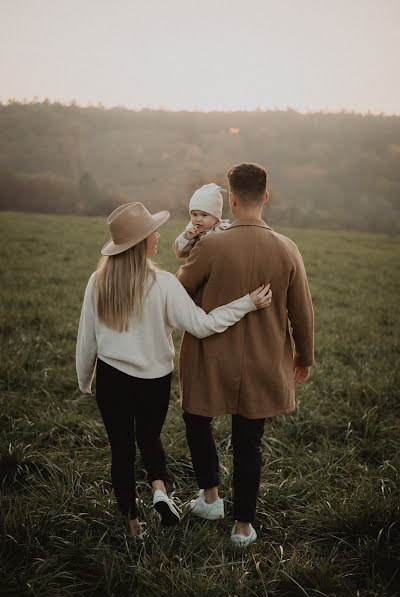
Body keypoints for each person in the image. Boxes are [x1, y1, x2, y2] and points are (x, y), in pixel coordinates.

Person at [76, 201, 272, 537]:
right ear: (143, 242)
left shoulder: (99, 280)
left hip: (112, 378)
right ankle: (160, 491)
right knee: (150, 438)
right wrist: (247, 303)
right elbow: (203, 325)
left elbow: (87, 336)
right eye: (153, 233)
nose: (158, 236)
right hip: (154, 380)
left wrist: (84, 379)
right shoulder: (164, 283)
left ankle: (134, 525)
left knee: (121, 448)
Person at [176, 163, 314, 547]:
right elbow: (302, 311)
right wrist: (304, 356)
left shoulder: (209, 246)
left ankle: (210, 498)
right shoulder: (288, 248)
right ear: (265, 196)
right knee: (249, 439)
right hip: (264, 360)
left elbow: (179, 293)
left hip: (208, 356)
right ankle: (242, 528)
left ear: (232, 200)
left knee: (196, 418)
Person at [172, 183, 230, 258]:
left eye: (204, 215)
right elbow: (180, 253)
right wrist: (186, 238)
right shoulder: (191, 231)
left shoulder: (226, 230)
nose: (198, 219)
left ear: (216, 216)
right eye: (194, 214)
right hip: (197, 267)